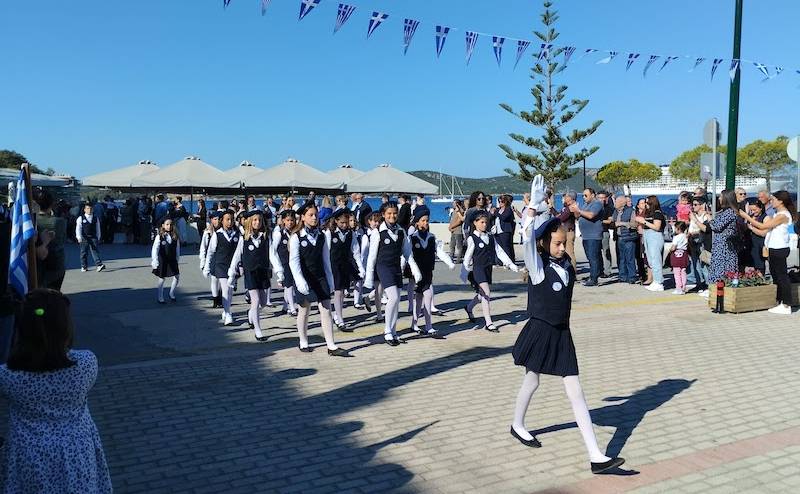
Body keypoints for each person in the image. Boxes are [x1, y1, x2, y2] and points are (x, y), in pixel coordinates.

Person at [510, 175, 625, 475]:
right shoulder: (537, 268)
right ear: (545, 244)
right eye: (557, 244)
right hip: (540, 331)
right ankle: (517, 424)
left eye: (564, 243)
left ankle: (596, 456)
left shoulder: (565, 266)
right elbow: (527, 239)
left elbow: (559, 221)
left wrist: (547, 211)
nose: (562, 248)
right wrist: (533, 209)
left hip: (562, 333)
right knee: (532, 380)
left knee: (575, 391)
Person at [0, 289, 112, 493]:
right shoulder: (86, 364)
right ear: (64, 326)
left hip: (28, 457)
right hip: (77, 453)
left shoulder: (7, 376)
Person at [288, 203, 349, 356]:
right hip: (303, 277)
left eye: (316, 214)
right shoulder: (296, 237)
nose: (314, 217)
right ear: (303, 217)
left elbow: (326, 259)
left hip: (320, 276)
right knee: (304, 309)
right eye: (311, 215)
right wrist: (300, 280)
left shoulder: (322, 235)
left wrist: (330, 280)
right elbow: (293, 262)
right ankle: (303, 340)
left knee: (326, 309)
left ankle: (331, 345)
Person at [365, 202, 421, 346]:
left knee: (396, 301)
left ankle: (394, 331)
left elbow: (407, 252)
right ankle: (387, 331)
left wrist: (414, 269)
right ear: (383, 215)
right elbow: (372, 256)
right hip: (383, 267)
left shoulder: (401, 231)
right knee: (394, 297)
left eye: (395, 213)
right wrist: (369, 278)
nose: (392, 216)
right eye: (389, 213)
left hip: (396, 268)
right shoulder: (378, 232)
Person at [738, 191, 796, 315]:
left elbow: (763, 226)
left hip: (780, 248)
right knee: (775, 275)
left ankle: (787, 304)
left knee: (782, 276)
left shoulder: (783, 215)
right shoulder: (777, 214)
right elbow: (768, 232)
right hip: (773, 248)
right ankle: (780, 301)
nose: (771, 202)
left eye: (773, 199)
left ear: (780, 201)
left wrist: (747, 217)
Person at [461, 211, 520, 332]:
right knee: (486, 293)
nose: (484, 225)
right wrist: (464, 272)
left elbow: (500, 252)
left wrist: (510, 264)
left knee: (482, 294)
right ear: (475, 223)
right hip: (478, 269)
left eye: (486, 222)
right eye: (481, 222)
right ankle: (488, 322)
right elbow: (467, 257)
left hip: (488, 268)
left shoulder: (490, 237)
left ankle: (469, 307)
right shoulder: (472, 238)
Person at [229, 210, 282, 341]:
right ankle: (258, 330)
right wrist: (232, 273)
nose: (257, 222)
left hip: (263, 272)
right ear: (249, 222)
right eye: (254, 220)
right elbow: (236, 256)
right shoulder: (244, 238)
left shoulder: (266, 237)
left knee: (263, 303)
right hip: (250, 272)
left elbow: (273, 255)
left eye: (259, 220)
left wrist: (279, 271)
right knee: (256, 300)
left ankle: (251, 313)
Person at [409, 208, 455, 337]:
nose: (425, 223)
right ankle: (421, 325)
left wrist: (449, 262)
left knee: (423, 297)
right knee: (423, 297)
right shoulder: (412, 238)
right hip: (418, 273)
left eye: (427, 221)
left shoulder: (431, 237)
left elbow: (439, 252)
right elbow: (408, 255)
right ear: (417, 223)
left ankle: (422, 324)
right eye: (422, 221)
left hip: (428, 271)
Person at [325, 208, 364, 332]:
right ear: (336, 221)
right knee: (338, 291)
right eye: (342, 222)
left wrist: (360, 267)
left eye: (346, 222)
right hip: (333, 266)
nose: (345, 225)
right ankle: (340, 318)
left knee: (342, 292)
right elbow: (326, 253)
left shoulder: (350, 233)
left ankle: (337, 314)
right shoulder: (329, 233)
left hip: (345, 265)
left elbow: (356, 251)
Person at [203, 210, 239, 326]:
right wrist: (206, 267)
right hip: (221, 266)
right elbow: (210, 252)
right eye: (227, 219)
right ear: (222, 221)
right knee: (225, 289)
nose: (230, 222)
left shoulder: (237, 234)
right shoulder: (217, 235)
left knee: (230, 290)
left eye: (232, 219)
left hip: (233, 267)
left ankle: (225, 309)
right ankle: (228, 313)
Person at [569, 189, 603, 287]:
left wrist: (579, 210)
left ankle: (594, 278)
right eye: (583, 195)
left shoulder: (597, 204)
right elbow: (578, 216)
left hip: (594, 235)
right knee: (590, 257)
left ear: (592, 195)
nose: (584, 197)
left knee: (593, 257)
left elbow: (591, 215)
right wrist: (575, 210)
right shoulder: (585, 205)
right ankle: (593, 275)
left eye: (586, 195)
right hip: (586, 235)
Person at [34, 190, 67, 290]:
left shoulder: (31, 221)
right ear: (51, 204)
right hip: (55, 263)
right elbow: (63, 238)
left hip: (35, 264)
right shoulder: (59, 222)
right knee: (53, 295)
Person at [708, 190, 741, 287]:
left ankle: (721, 288)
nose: (719, 198)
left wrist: (709, 218)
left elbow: (716, 226)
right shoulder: (725, 211)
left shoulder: (730, 212)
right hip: (719, 244)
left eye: (721, 197)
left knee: (722, 268)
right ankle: (715, 288)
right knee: (717, 266)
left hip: (724, 245)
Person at [634, 196, 666, 292]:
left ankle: (659, 282)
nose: (646, 205)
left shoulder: (657, 213)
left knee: (656, 260)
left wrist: (643, 221)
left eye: (647, 203)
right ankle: (655, 281)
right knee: (651, 260)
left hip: (655, 237)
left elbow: (657, 227)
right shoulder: (648, 213)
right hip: (647, 235)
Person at [272, 210, 298, 316]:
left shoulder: (296, 233)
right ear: (283, 221)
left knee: (291, 284)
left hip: (294, 261)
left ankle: (285, 305)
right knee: (288, 285)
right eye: (288, 220)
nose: (290, 223)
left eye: (292, 220)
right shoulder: (279, 234)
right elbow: (273, 250)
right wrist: (276, 266)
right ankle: (292, 307)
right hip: (284, 262)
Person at [151, 218, 180, 304]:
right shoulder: (159, 236)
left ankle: (172, 292)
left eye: (170, 224)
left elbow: (177, 249)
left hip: (172, 259)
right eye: (167, 224)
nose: (169, 226)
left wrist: (177, 258)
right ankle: (160, 296)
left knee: (177, 276)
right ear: (163, 226)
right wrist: (155, 260)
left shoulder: (175, 236)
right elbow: (155, 249)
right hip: (163, 259)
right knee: (162, 278)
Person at [688, 197, 712, 294]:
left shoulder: (705, 216)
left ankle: (707, 285)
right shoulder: (693, 215)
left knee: (704, 264)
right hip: (692, 241)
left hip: (702, 242)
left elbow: (707, 228)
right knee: (695, 263)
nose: (693, 207)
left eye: (696, 205)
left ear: (701, 205)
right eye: (692, 205)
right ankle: (699, 284)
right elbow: (691, 228)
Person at [612, 196, 638, 284]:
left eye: (616, 201)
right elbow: (613, 222)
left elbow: (634, 224)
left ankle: (632, 277)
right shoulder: (615, 212)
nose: (614, 203)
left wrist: (622, 224)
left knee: (630, 258)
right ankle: (622, 276)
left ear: (621, 203)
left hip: (629, 237)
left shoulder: (631, 211)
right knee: (621, 258)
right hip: (619, 237)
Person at [199, 211, 222, 308]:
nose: (217, 221)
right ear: (211, 220)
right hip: (212, 259)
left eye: (218, 219)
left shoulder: (223, 232)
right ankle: (215, 299)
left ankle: (221, 298)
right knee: (214, 280)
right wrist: (203, 262)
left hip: (222, 259)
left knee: (222, 281)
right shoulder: (207, 233)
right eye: (215, 219)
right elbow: (203, 248)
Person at [76, 203, 106, 273]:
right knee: (84, 252)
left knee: (95, 250)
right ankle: (84, 266)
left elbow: (98, 228)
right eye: (88, 208)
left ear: (93, 210)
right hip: (84, 238)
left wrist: (98, 237)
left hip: (93, 237)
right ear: (84, 210)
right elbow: (78, 228)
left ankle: (99, 265)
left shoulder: (96, 218)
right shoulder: (80, 218)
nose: (89, 210)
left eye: (91, 209)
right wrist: (79, 237)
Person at [556, 192, 578, 272]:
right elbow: (559, 216)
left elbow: (562, 218)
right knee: (564, 252)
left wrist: (556, 219)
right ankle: (567, 269)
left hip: (569, 232)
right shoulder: (566, 207)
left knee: (569, 252)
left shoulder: (572, 207)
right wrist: (551, 209)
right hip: (564, 231)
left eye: (566, 197)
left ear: (571, 198)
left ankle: (573, 271)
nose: (564, 198)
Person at [744, 199, 768, 273]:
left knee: (759, 267)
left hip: (759, 246)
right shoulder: (749, 217)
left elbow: (764, 233)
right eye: (751, 210)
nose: (753, 212)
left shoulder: (765, 218)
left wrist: (751, 228)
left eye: (755, 209)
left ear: (761, 208)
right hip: (749, 246)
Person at [494, 194, 517, 263]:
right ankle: (501, 261)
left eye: (502, 202)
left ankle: (510, 261)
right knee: (500, 247)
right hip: (498, 230)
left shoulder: (508, 209)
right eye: (499, 202)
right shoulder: (499, 209)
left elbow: (504, 217)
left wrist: (496, 212)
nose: (500, 203)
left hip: (505, 230)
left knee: (506, 246)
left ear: (505, 202)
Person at [596, 191, 614, 277]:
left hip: (604, 232)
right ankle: (599, 270)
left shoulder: (609, 208)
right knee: (597, 252)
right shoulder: (594, 207)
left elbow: (610, 220)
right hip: (595, 233)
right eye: (600, 198)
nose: (602, 200)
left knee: (606, 251)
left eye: (603, 198)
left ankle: (607, 271)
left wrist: (600, 221)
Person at [668, 222, 689, 295]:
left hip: (676, 255)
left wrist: (670, 250)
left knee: (677, 273)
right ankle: (683, 287)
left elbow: (673, 247)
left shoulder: (676, 237)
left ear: (678, 229)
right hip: (684, 255)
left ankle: (678, 288)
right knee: (683, 272)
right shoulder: (685, 236)